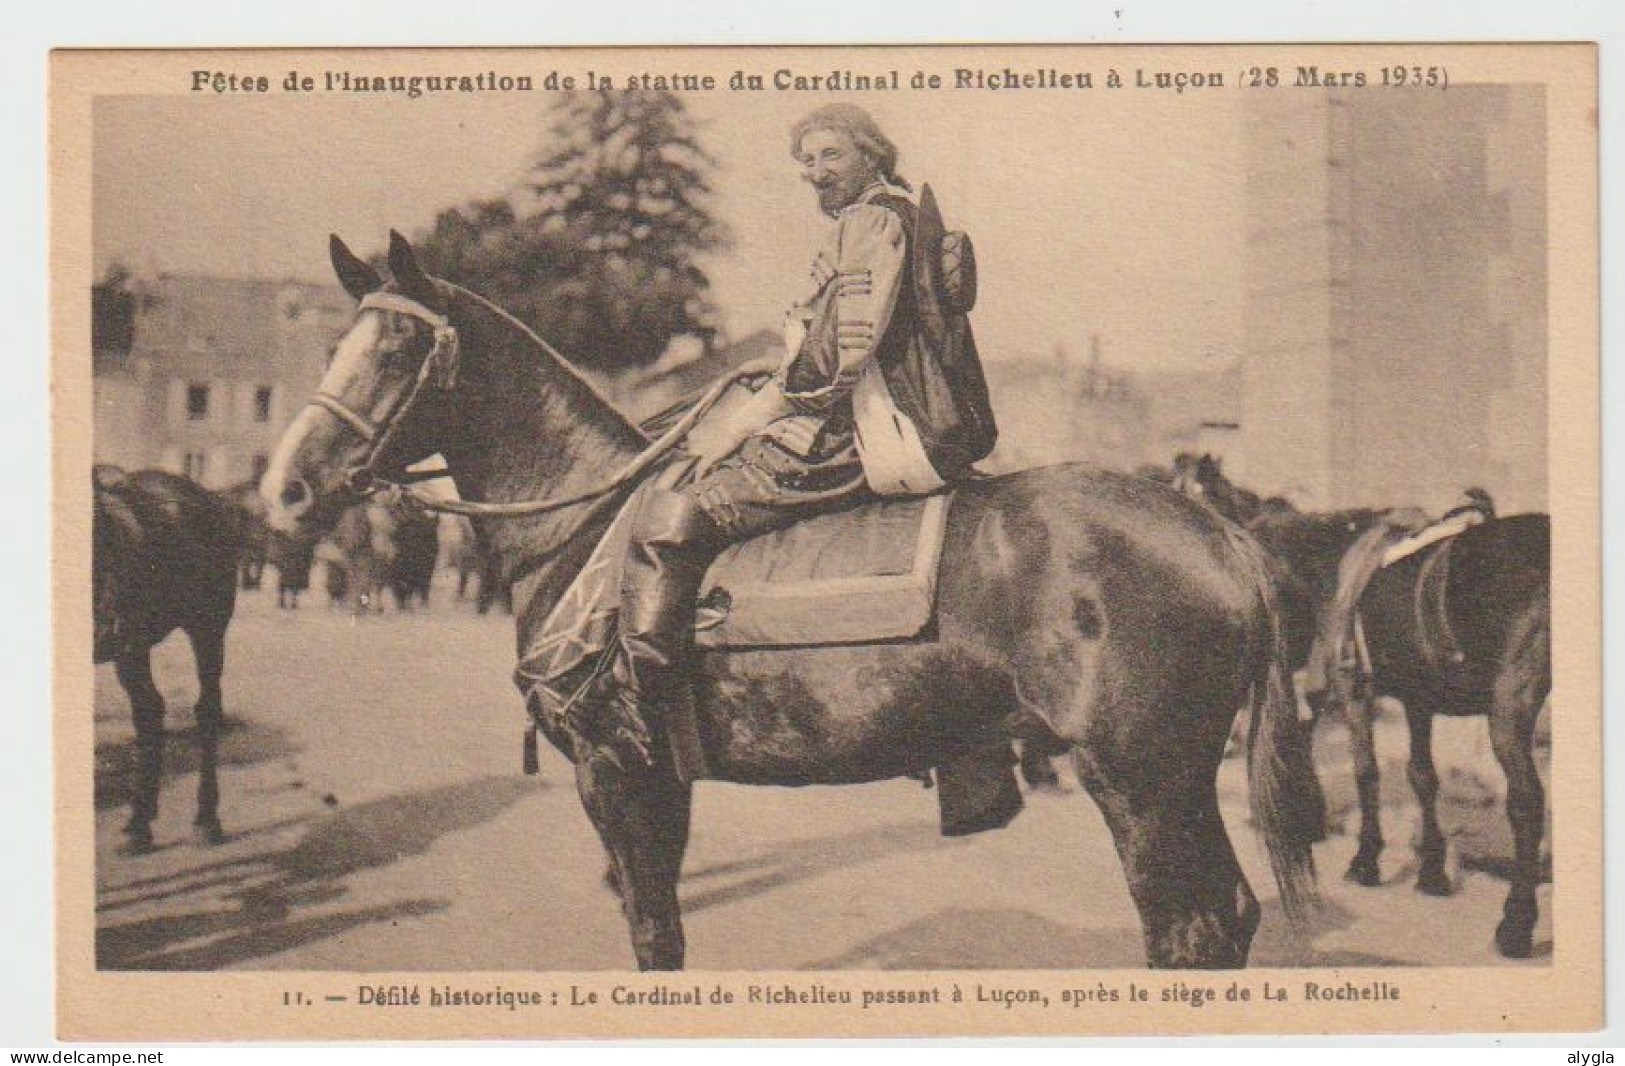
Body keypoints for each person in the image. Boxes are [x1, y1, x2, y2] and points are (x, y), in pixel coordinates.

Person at [603, 104, 1010, 829]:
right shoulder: (886, 215)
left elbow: (840, 354)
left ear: (871, 154)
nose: (815, 173)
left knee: (676, 514)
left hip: (869, 431)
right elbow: (825, 335)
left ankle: (642, 721)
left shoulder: (871, 221)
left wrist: (746, 419)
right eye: (806, 161)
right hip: (885, 416)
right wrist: (772, 367)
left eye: (830, 155)